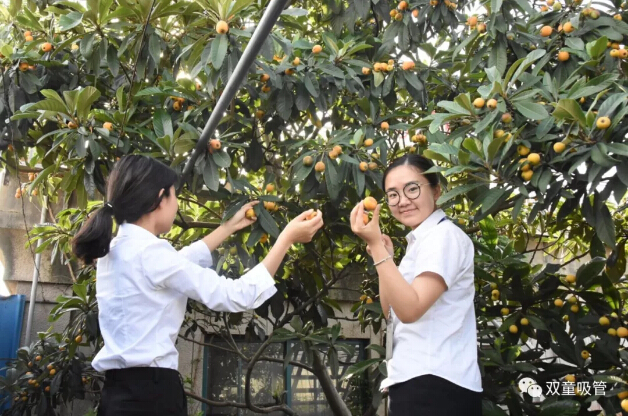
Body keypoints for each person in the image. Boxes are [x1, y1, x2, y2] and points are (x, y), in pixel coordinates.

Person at [72, 155, 323, 416]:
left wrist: (228, 227)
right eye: (174, 194)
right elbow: (235, 295)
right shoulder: (150, 254)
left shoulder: (115, 251)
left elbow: (178, 263)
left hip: (118, 394)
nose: (176, 203)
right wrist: (286, 239)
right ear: (159, 198)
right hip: (151, 397)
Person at [350, 154, 482, 415]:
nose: (403, 201)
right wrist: (384, 257)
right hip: (420, 381)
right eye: (393, 194)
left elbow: (410, 311)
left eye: (412, 189)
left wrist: (377, 246)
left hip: (436, 384)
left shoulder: (443, 237)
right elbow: (392, 311)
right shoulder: (421, 242)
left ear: (436, 191)